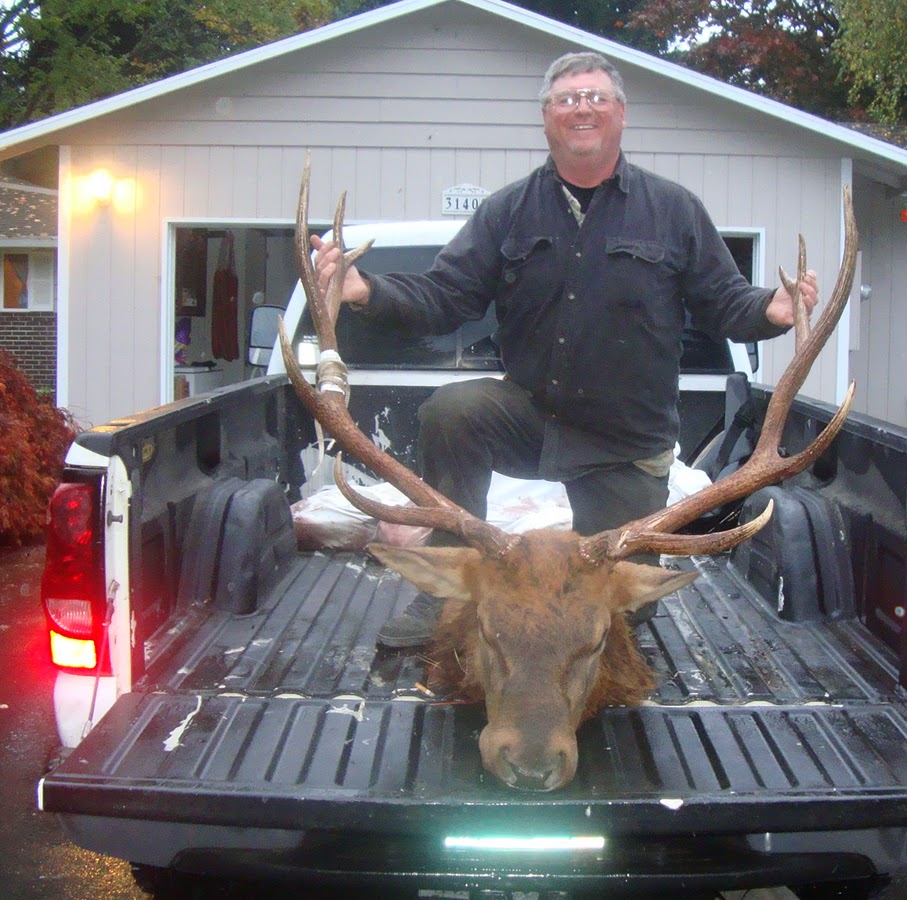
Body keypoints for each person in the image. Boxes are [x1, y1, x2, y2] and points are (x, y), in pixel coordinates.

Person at [312, 51, 819, 648]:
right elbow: (444, 297)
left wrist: (772, 310)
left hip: (625, 442)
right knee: (453, 411)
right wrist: (364, 289)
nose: (582, 108)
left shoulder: (673, 210)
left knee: (621, 618)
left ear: (621, 115)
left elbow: (723, 300)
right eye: (567, 99)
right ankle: (444, 595)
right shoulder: (507, 212)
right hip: (533, 416)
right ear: (547, 118)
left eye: (596, 98)